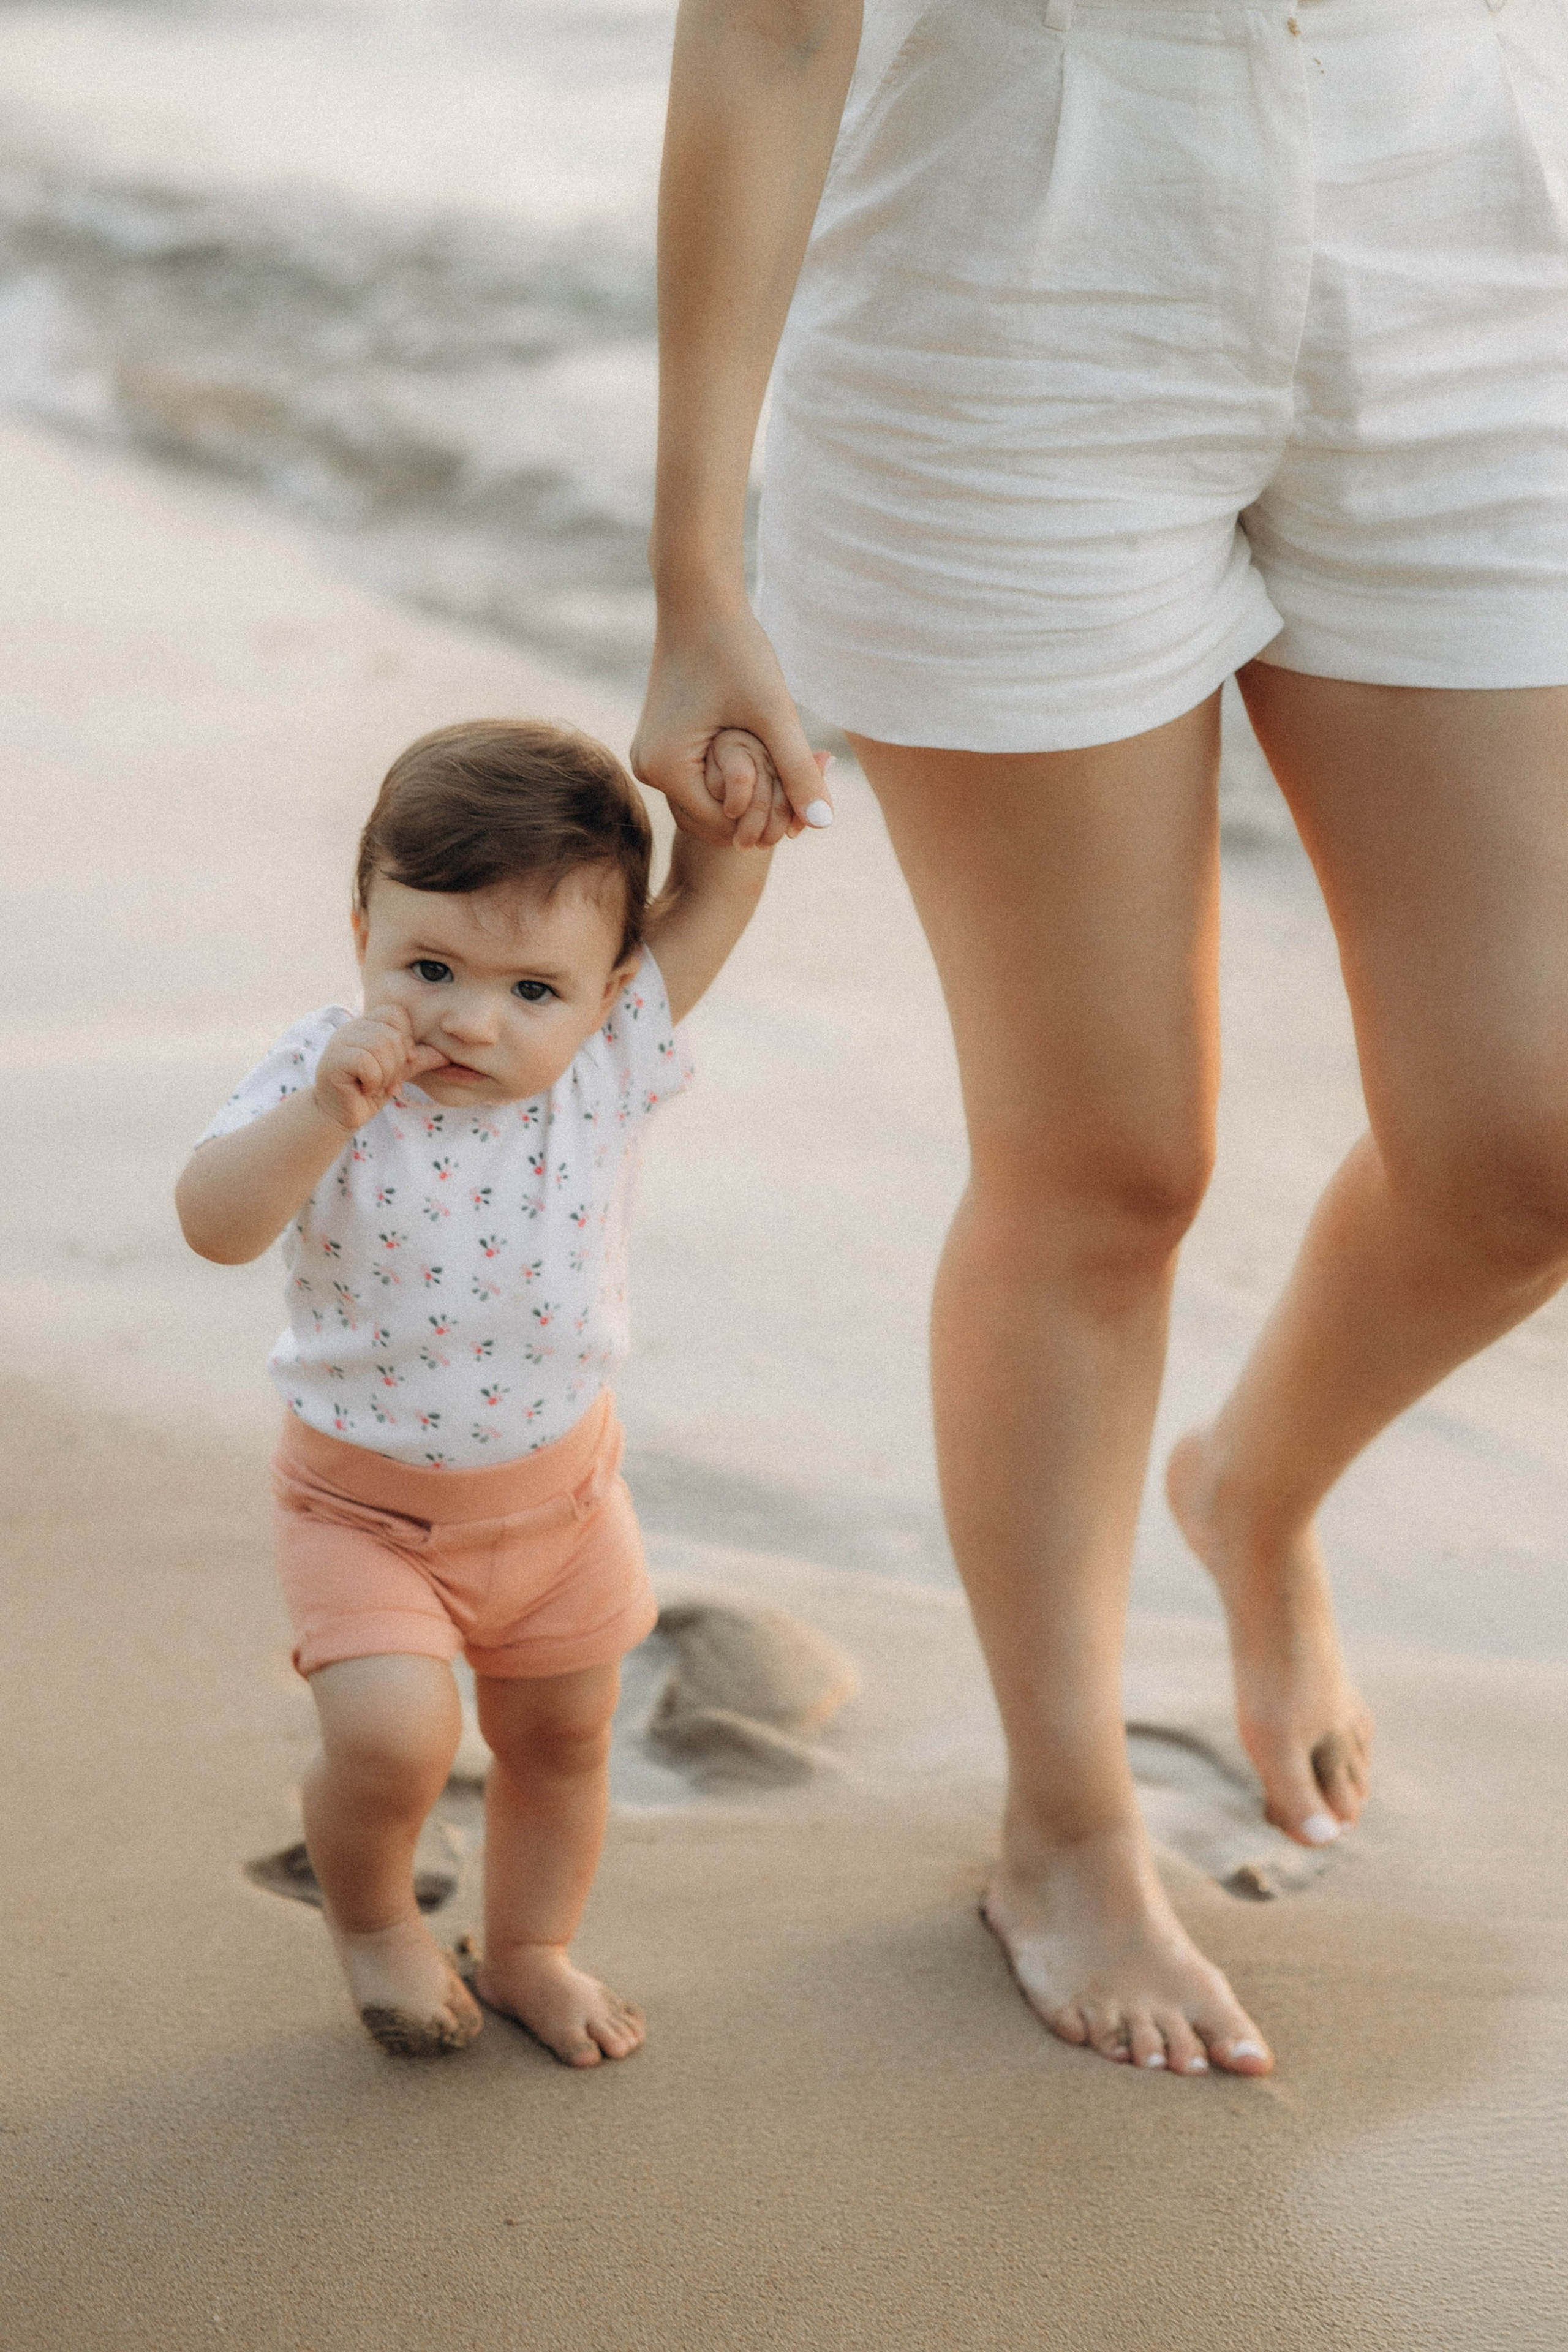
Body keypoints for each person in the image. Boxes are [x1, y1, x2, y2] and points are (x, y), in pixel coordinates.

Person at [631, 0, 1568, 2076]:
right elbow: (774, 23)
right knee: (1105, 1158)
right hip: (1019, 284)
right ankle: (1064, 1823)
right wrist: (695, 567)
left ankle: (1256, 1493)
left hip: (1475, 231)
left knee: (1531, 1148)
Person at [176, 717, 805, 2063]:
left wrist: (731, 795)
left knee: (564, 1740)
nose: (470, 1018)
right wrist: (322, 1118)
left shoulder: (607, 1061)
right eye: (428, 969)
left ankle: (528, 1947)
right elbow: (215, 1225)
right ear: (363, 932)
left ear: (609, 989)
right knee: (393, 1742)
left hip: (564, 1508)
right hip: (361, 1517)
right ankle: (375, 1924)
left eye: (531, 988)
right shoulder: (321, 1075)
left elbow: (719, 892)